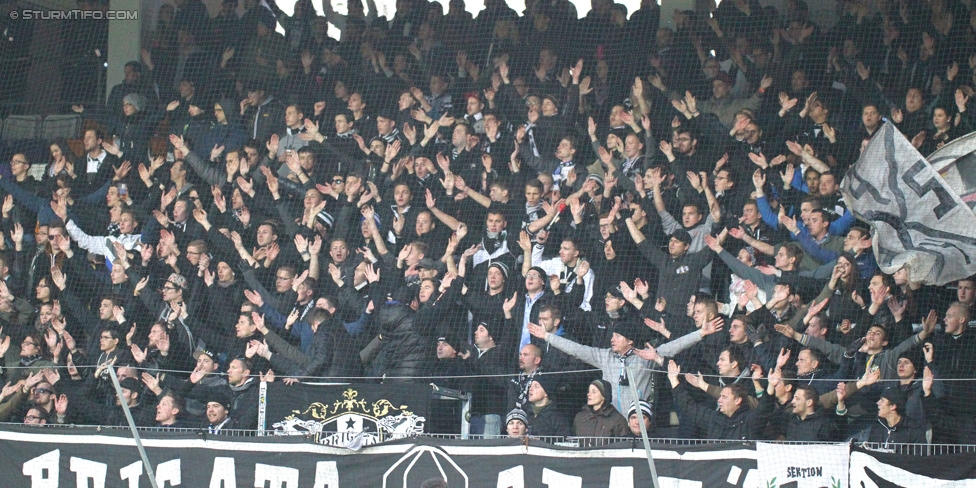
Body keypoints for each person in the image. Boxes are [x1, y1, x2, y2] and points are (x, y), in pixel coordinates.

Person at [573, 379, 629, 443]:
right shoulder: (580, 417)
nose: (589, 394)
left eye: (594, 392)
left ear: (604, 395)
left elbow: (623, 446)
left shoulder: (617, 420)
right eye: (589, 391)